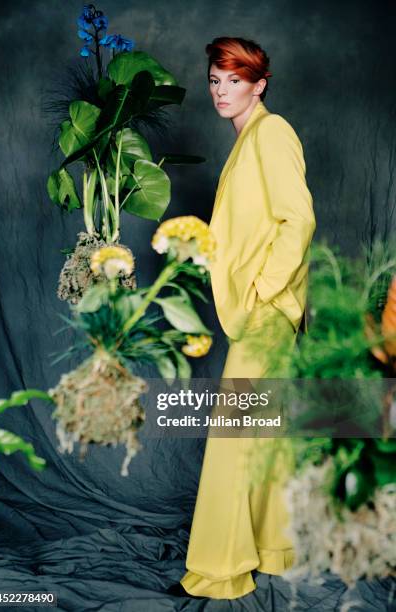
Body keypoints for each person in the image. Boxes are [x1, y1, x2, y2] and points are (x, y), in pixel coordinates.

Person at [169, 36, 316, 600]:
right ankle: (276, 550)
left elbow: (297, 220)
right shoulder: (249, 136)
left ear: (260, 84)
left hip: (265, 312)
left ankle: (218, 569)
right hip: (265, 312)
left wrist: (262, 290)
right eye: (214, 80)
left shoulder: (271, 133)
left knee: (235, 440)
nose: (220, 91)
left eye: (234, 80)